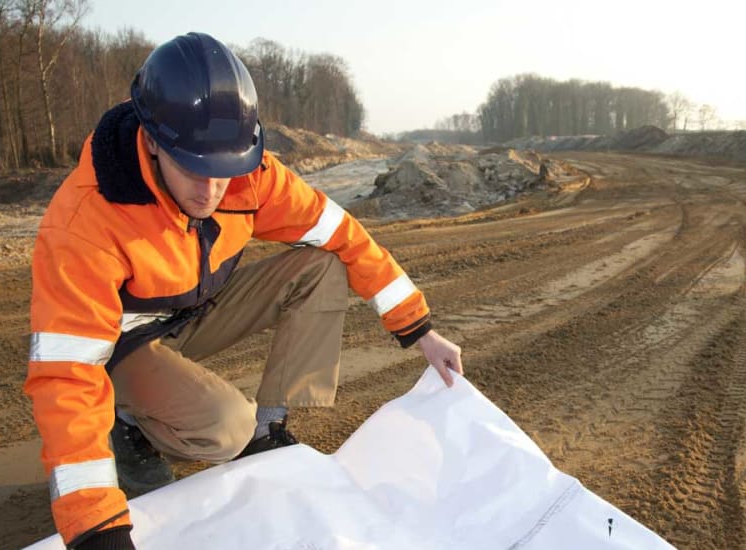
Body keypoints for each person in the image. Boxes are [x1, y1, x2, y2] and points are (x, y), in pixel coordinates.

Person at [24, 32, 463, 550]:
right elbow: (65, 376)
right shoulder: (87, 219)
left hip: (192, 311)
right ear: (151, 141)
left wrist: (421, 330)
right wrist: (96, 529)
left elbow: (344, 235)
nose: (211, 190)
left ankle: (269, 431)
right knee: (225, 428)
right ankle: (130, 424)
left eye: (224, 169)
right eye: (193, 167)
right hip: (121, 345)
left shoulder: (248, 176)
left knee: (321, 265)